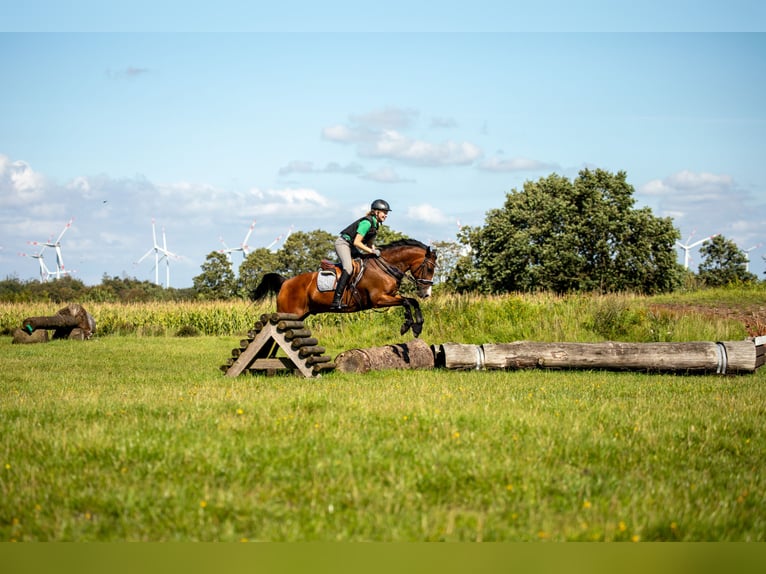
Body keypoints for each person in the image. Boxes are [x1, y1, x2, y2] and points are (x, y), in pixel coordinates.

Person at [330, 199, 391, 310]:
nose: (386, 215)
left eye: (387, 213)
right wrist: (371, 251)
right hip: (343, 243)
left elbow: (370, 243)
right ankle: (336, 300)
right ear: (376, 212)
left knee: (363, 265)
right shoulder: (367, 222)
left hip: (351, 246)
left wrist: (376, 252)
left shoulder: (376, 225)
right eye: (384, 212)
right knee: (348, 268)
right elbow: (357, 242)